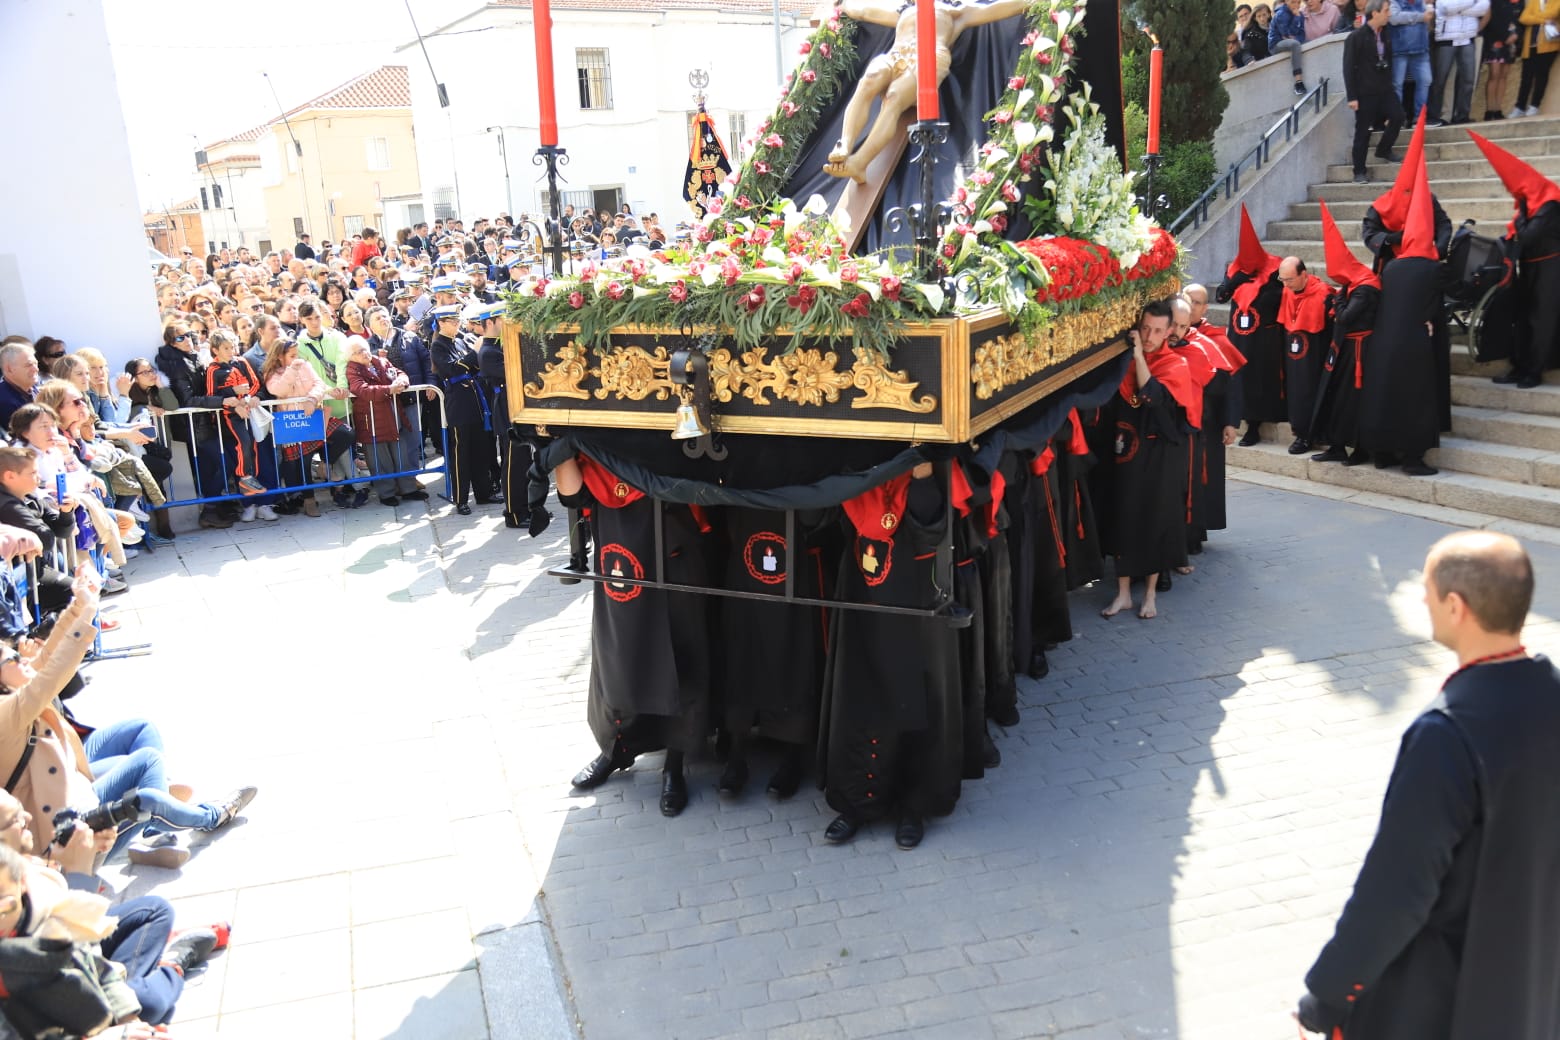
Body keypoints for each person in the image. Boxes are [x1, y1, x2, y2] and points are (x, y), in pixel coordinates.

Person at [1296, 531, 1560, 1040]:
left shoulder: (1446, 734)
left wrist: (1326, 996)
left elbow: (1398, 891)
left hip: (1447, 996)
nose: (1423, 599)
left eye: (1428, 589)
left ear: (1456, 606)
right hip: (1535, 983)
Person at [556, 455, 711, 818]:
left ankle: (675, 762)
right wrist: (556, 448)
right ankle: (616, 748)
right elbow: (571, 492)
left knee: (680, 644)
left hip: (675, 535)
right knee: (620, 648)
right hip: (618, 542)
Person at [823, 0, 1027, 182]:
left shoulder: (956, 10)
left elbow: (997, 8)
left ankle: (859, 163)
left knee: (894, 98)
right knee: (869, 79)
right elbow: (865, 11)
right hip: (897, 54)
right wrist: (842, 4)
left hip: (929, 58)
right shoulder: (904, 9)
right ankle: (845, 143)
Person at [1099, 299, 1201, 621]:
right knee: (1124, 518)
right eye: (1144, 328)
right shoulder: (1126, 361)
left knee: (1155, 522)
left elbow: (1150, 395)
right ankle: (1124, 595)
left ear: (1169, 331)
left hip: (1160, 457)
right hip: (1128, 451)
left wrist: (1140, 357)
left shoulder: (1175, 365)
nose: (1149, 335)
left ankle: (1151, 595)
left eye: (1157, 330)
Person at [1360, 153, 1445, 474]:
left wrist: (1435, 248)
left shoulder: (1430, 202)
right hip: (1394, 283)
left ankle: (1387, 447)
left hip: (1421, 278)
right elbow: (1371, 236)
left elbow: (1444, 226)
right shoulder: (1380, 206)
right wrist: (1400, 240)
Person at [1472, 131, 1560, 387]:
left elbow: (1528, 237)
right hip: (1529, 267)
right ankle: (1519, 365)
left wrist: (1519, 218)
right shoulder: (1529, 206)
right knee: (1521, 318)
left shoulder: (1549, 204)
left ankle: (1534, 370)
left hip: (1551, 268)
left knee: (1540, 319)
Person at [1309, 201, 1381, 464]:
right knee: (1339, 399)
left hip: (1360, 352)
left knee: (1355, 401)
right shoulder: (1353, 285)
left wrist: (1338, 300)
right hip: (1346, 350)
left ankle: (1360, 449)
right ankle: (1337, 445)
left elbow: (1345, 316)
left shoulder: (1365, 287)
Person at [1217, 205, 1286, 445]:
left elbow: (1282, 297)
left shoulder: (1276, 269)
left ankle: (1255, 426)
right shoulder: (1234, 269)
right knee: (1239, 378)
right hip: (1239, 334)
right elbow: (1221, 297)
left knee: (1259, 378)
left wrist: (1260, 293)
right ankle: (1241, 420)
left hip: (1263, 337)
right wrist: (1234, 282)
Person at [294, 299, 364, 509]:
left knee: (346, 447)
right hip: (319, 404)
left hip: (342, 401)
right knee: (333, 448)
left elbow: (343, 363)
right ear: (302, 320)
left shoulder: (337, 337)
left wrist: (341, 387)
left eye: (317, 316)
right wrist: (326, 391)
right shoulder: (298, 345)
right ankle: (347, 486)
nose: (315, 322)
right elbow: (307, 376)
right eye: (309, 318)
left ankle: (348, 486)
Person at [429, 305, 498, 516]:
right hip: (458, 403)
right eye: (452, 321)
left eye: (458, 321)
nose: (457, 325)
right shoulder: (438, 346)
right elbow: (451, 369)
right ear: (441, 323)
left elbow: (472, 366)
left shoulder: (459, 340)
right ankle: (461, 498)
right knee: (461, 453)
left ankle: (483, 492)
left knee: (480, 450)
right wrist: (474, 354)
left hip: (474, 400)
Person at [344, 336, 423, 507]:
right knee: (380, 459)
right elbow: (361, 389)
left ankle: (408, 489)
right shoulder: (352, 370)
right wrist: (389, 389)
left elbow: (398, 372)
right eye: (358, 352)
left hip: (394, 416)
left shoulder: (380, 361)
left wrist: (403, 380)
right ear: (351, 356)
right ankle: (386, 493)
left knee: (401, 454)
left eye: (364, 349)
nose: (364, 353)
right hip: (371, 420)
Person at [1277, 256, 1334, 454]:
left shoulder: (1323, 293)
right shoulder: (1287, 290)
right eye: (1282, 280)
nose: (1285, 285)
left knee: (1311, 390)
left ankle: (1312, 435)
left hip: (1314, 353)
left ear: (1304, 274)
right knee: (1296, 390)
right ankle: (1300, 432)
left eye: (1289, 280)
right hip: (1294, 353)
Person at [1346, 0, 1405, 183]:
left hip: (1385, 89)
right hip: (1365, 93)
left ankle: (1384, 149)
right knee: (1363, 132)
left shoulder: (1386, 34)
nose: (1389, 14)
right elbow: (1348, 67)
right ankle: (1359, 171)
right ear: (1375, 13)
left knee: (1398, 116)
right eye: (1386, 11)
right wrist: (1352, 96)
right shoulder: (1356, 37)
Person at [1427, 0, 1489, 125]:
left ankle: (1462, 116)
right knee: (1440, 80)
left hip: (1467, 38)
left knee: (1468, 80)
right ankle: (1434, 115)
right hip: (1446, 39)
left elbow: (1483, 8)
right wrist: (1471, 2)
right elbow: (1445, 7)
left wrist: (1458, 8)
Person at [1390, 0, 1437, 123]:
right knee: (1397, 85)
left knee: (1426, 80)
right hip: (1399, 50)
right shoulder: (1394, 2)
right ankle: (1397, 119)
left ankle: (1420, 117)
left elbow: (1429, 18)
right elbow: (1394, 18)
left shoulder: (1421, 2)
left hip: (1421, 49)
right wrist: (1421, 17)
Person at [1512, 0, 1560, 115]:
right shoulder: (1534, 1)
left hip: (1549, 45)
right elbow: (1523, 18)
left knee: (1541, 76)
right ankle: (1520, 107)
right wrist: (1544, 21)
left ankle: (1534, 105)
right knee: (1526, 78)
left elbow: (1552, 14)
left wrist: (1535, 18)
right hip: (1530, 45)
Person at [1482, 0, 1524, 118]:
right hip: (1495, 39)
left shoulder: (1520, 2)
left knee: (1504, 75)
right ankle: (1489, 110)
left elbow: (1522, 20)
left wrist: (1517, 35)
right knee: (1494, 74)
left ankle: (1497, 109)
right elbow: (1492, 18)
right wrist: (1505, 36)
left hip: (1512, 42)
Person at [1270, 0, 1313, 93]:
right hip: (1276, 43)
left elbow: (1301, 33)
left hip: (1291, 41)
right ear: (1286, 1)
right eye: (1293, 2)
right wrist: (1296, 18)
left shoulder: (1299, 14)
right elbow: (1287, 34)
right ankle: (1298, 82)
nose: (1296, 5)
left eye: (1298, 2)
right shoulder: (1281, 14)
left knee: (1309, 42)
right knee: (1295, 44)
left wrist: (1298, 38)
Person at [0, 344, 38, 431]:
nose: (35, 369)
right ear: (9, 369)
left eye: (36, 363)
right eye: (29, 365)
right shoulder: (4, 402)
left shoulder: (34, 389)